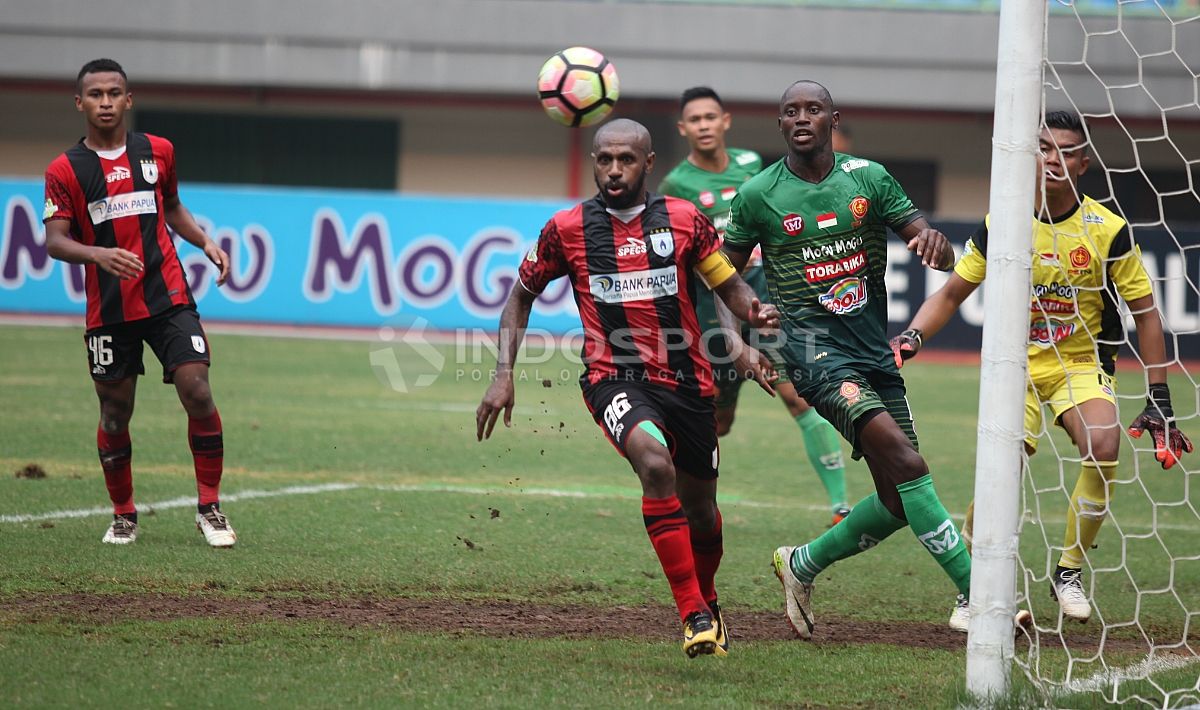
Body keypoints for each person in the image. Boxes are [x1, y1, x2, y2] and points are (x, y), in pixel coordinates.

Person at [476, 118, 780, 658]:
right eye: (604, 159)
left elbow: (727, 284)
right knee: (655, 465)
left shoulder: (686, 220)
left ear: (649, 163)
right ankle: (692, 614)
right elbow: (520, 295)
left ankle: (708, 601)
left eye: (626, 160)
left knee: (702, 513)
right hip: (612, 376)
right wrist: (503, 374)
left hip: (688, 381)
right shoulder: (566, 229)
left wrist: (749, 320)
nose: (614, 170)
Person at [894, 110, 1191, 629]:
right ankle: (976, 584)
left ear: (1084, 162)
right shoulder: (1003, 223)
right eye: (1044, 148)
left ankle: (1068, 572)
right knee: (1002, 472)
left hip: (1078, 363)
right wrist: (913, 335)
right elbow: (951, 294)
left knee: (1104, 446)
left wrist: (1159, 395)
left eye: (1066, 151)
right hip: (1014, 366)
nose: (1053, 159)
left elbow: (1146, 314)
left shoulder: (1108, 230)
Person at [721, 80, 976, 638]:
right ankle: (977, 594)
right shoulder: (759, 194)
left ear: (834, 117)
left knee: (895, 498)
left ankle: (800, 564)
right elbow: (723, 276)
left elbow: (931, 242)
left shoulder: (870, 179)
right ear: (781, 124)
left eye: (814, 108)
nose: (803, 117)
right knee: (909, 465)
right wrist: (736, 341)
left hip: (873, 354)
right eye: (791, 111)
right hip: (813, 357)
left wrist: (936, 243)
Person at [42, 58, 236, 547]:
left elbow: (170, 206)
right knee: (114, 413)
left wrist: (204, 241)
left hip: (168, 296)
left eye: (114, 93)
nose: (105, 102)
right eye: (95, 94)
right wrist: (97, 253)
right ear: (80, 102)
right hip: (109, 310)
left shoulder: (158, 152)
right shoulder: (65, 170)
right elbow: (55, 240)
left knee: (197, 390)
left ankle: (210, 508)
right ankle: (124, 514)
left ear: (128, 100)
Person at [659, 86, 851, 526]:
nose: (704, 125)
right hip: (714, 318)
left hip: (766, 304)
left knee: (802, 399)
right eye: (696, 119)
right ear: (684, 129)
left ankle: (840, 506)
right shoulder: (676, 185)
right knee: (716, 423)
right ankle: (675, 495)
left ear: (725, 121)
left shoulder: (750, 165)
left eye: (712, 117)